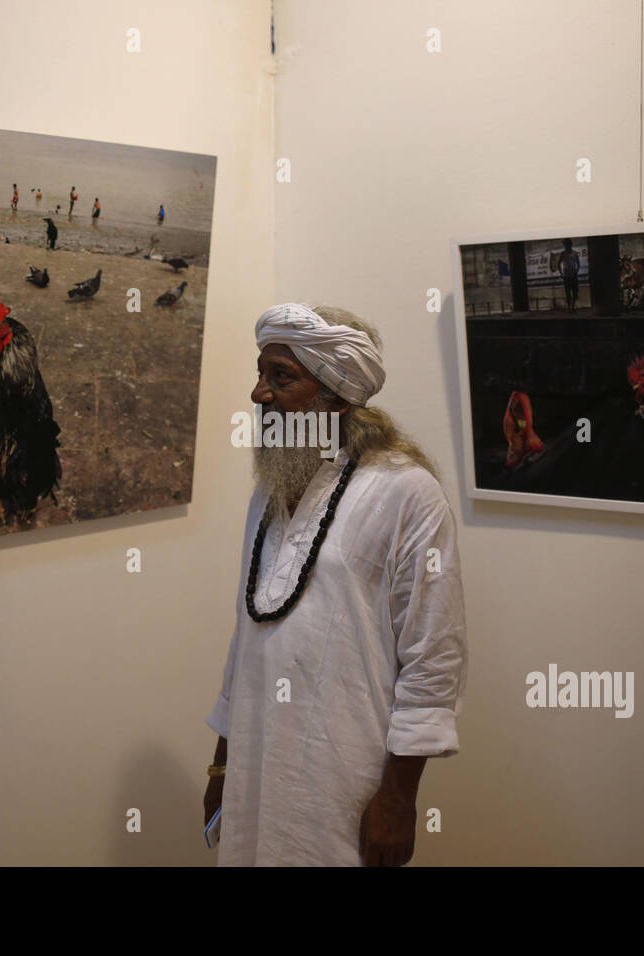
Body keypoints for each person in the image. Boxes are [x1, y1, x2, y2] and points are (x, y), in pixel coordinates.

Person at [204, 303, 467, 867]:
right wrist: (222, 763)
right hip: (255, 762)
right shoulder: (269, 492)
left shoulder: (406, 493)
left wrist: (399, 799)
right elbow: (246, 636)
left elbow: (433, 656)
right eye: (260, 373)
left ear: (335, 396)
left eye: (281, 377)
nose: (257, 393)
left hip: (345, 773)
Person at [558, 238, 579, 312]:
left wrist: (576, 272)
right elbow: (558, 264)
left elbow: (578, 264)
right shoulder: (563, 253)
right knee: (568, 294)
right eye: (565, 244)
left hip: (573, 276)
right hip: (566, 277)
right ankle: (569, 308)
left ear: (570, 244)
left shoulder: (575, 253)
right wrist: (561, 274)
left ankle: (572, 307)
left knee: (575, 293)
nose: (566, 246)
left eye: (567, 244)